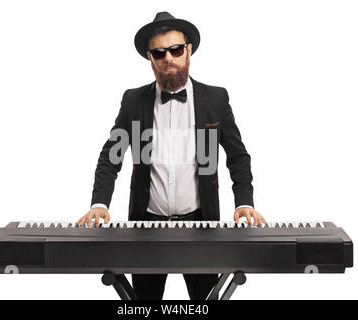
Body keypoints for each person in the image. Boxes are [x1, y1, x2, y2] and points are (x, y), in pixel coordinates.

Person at [77, 11, 266, 300]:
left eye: (176, 49)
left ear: (188, 51)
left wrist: (244, 203)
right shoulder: (133, 102)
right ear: (150, 58)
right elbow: (111, 157)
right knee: (144, 305)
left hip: (202, 224)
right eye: (159, 52)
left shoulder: (214, 99)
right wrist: (99, 203)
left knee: (204, 303)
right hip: (146, 225)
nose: (169, 58)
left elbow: (238, 157)